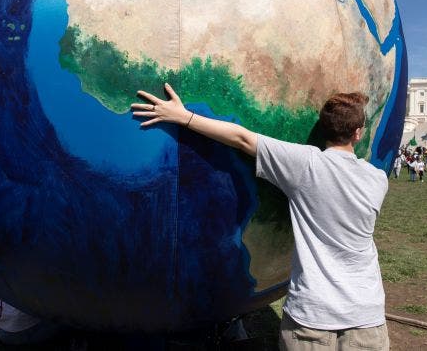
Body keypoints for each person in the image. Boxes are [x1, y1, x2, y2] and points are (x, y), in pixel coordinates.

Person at [132, 83, 389, 350]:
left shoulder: (306, 165)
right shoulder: (378, 179)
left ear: (324, 129)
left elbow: (242, 139)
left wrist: (183, 116)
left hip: (313, 315)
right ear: (358, 133)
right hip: (366, 314)